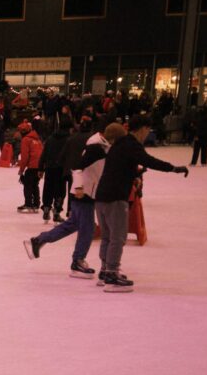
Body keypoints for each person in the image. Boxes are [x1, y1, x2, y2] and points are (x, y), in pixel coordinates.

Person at [93, 114, 188, 292]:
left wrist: (134, 174)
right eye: (148, 130)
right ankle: (112, 274)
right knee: (118, 237)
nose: (147, 134)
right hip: (115, 197)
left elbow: (117, 168)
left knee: (107, 236)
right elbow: (149, 161)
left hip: (102, 196)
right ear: (143, 129)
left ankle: (105, 271)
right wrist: (173, 168)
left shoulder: (118, 145)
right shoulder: (131, 145)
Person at [24, 122, 125, 278]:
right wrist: (78, 187)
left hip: (86, 191)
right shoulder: (96, 147)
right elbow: (77, 166)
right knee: (87, 229)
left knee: (72, 225)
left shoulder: (102, 146)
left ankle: (38, 240)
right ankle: (77, 261)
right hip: (83, 192)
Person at [38, 117, 73, 223]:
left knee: (48, 188)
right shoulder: (69, 139)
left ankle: (46, 208)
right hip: (62, 169)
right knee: (60, 190)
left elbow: (44, 154)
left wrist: (41, 168)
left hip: (49, 167)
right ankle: (57, 211)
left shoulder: (50, 138)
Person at [15, 122, 43, 213]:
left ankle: (28, 204)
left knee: (28, 185)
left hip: (31, 166)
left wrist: (21, 170)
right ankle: (36, 204)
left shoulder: (26, 140)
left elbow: (25, 157)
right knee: (35, 185)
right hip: (39, 166)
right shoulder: (38, 140)